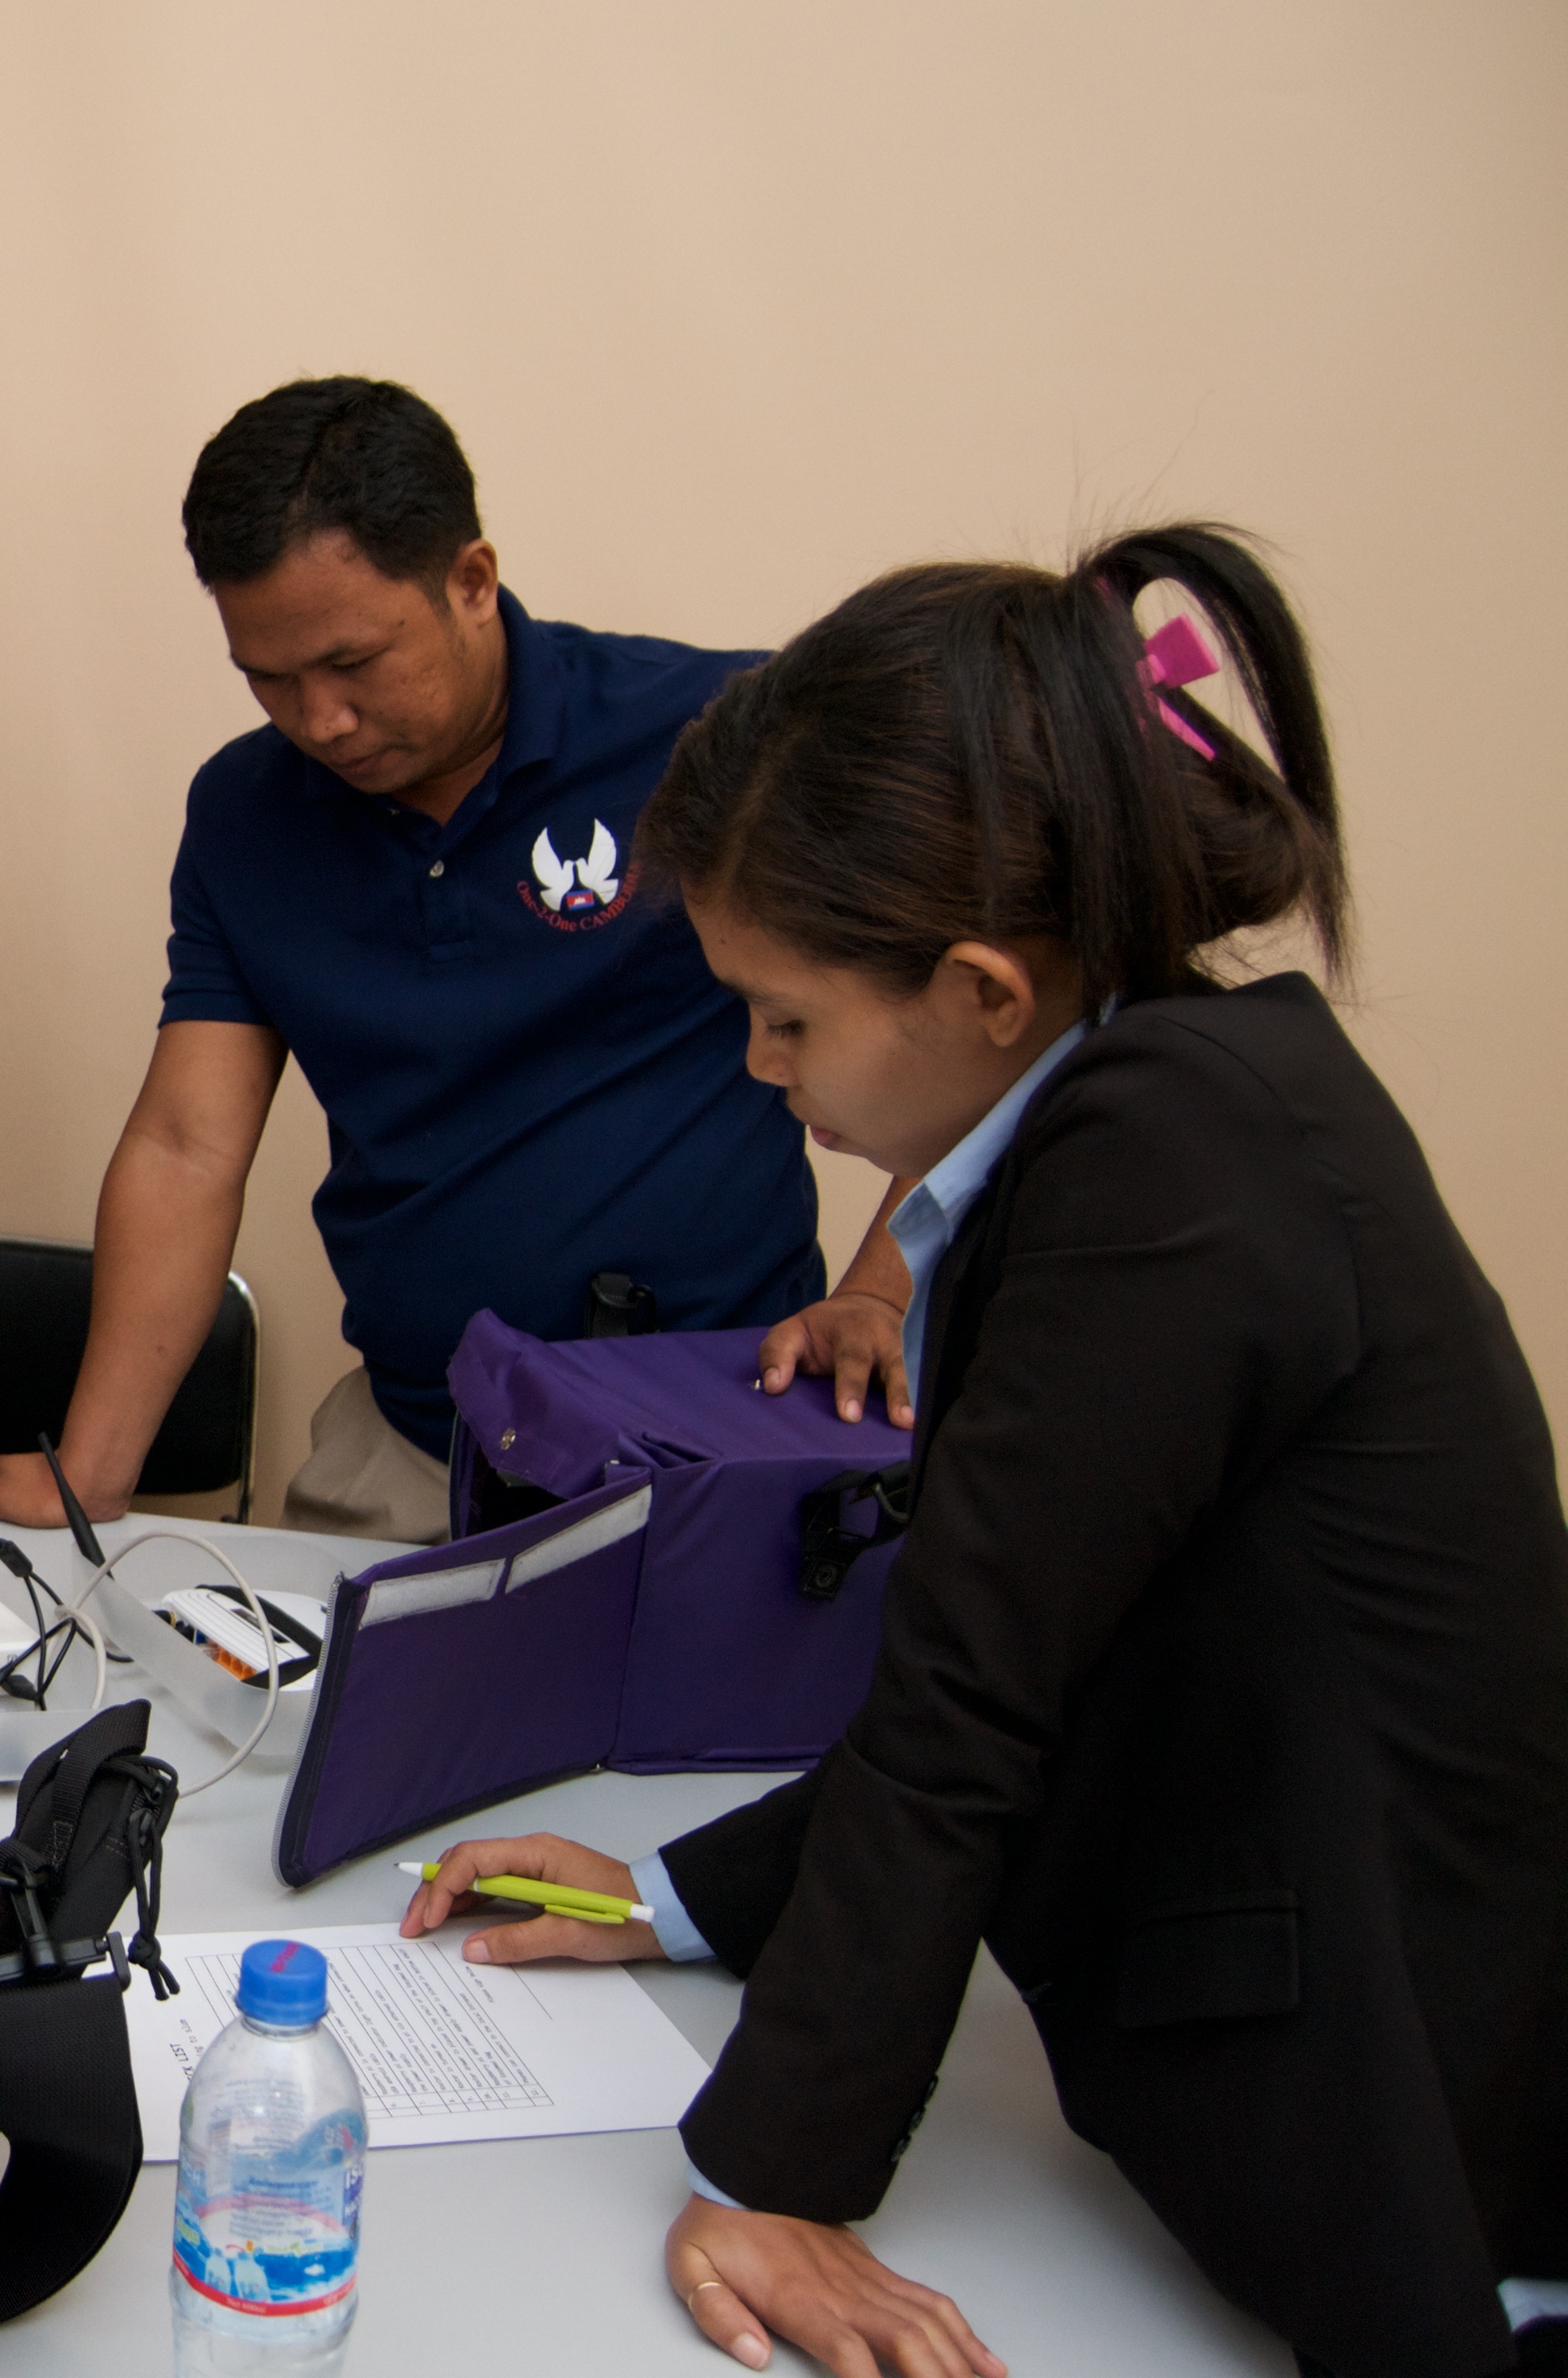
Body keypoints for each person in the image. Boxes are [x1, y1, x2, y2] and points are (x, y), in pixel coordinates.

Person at [403, 526, 1568, 2378]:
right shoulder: (1187, 1097)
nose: (766, 1074)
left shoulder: (1169, 1163)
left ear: (980, 994)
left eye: (786, 1019)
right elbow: (1057, 1647)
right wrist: (686, 1896)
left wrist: (782, 2175)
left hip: (1425, 2148)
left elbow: (977, 1693)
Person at [0, 376, 906, 1547]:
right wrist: (88, 1473)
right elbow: (187, 1143)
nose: (320, 719)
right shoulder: (247, 814)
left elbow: (966, 1010)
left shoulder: (713, 736)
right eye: (269, 677)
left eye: (354, 662)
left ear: (471, 582)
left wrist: (880, 1290)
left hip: (715, 1435)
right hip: (414, 1455)